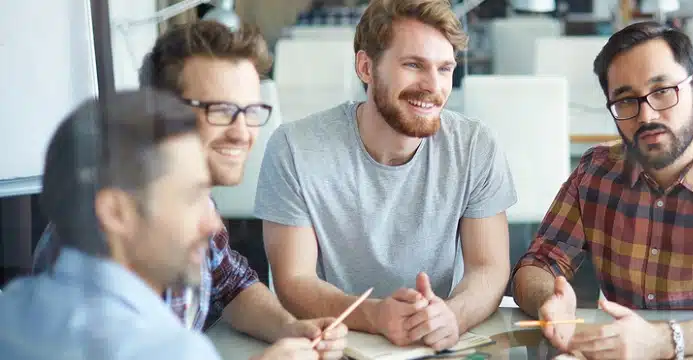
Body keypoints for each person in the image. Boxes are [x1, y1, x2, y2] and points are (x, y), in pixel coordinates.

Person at [30, 21, 346, 355]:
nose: (242, 133)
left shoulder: (192, 203)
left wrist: (290, 327)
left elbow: (230, 284)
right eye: (221, 110)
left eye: (251, 111)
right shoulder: (108, 230)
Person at [510, 21, 693, 360]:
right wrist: (549, 298)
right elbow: (538, 261)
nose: (647, 115)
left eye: (662, 91)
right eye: (625, 100)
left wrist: (663, 341)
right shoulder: (596, 172)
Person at [255, 0, 517, 352]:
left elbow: (488, 267)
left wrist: (453, 315)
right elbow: (293, 281)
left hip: (433, 346)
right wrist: (375, 315)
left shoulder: (474, 146)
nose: (432, 85)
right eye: (413, 65)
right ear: (366, 67)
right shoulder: (294, 148)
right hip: (332, 345)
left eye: (444, 69)